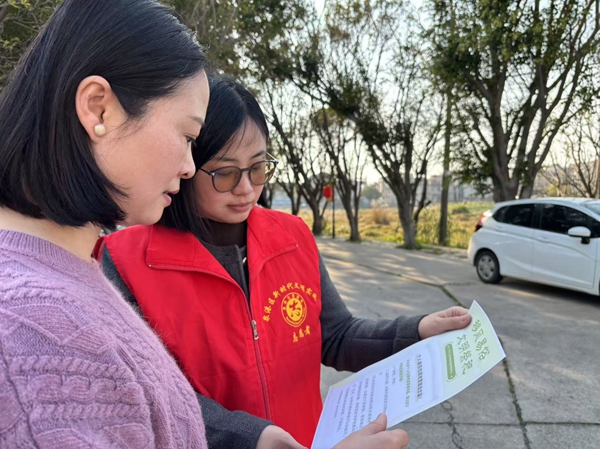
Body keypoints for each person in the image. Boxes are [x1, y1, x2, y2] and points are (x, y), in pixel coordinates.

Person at [98, 78, 470, 448]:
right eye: (225, 173)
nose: (246, 188)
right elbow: (154, 394)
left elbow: (336, 336)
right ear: (187, 164)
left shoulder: (292, 236)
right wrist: (253, 438)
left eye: (258, 168)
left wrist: (416, 331)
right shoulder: (126, 260)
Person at [0, 0, 212, 446]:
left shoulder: (63, 272)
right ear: (98, 109)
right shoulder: (33, 329)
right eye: (187, 136)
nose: (190, 166)